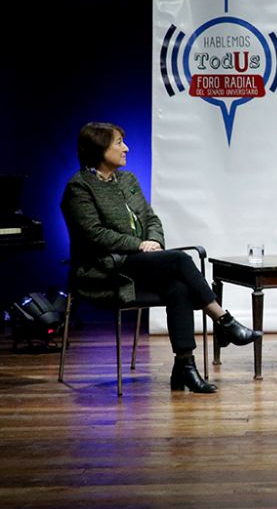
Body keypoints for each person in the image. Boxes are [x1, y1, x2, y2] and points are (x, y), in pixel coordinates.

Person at [61, 122, 261, 394]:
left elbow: (151, 218)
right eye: (119, 142)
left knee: (178, 288)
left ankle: (185, 369)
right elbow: (93, 235)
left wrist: (153, 241)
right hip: (106, 270)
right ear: (99, 149)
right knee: (179, 260)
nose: (126, 148)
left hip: (139, 263)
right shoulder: (79, 187)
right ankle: (224, 321)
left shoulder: (128, 180)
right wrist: (139, 244)